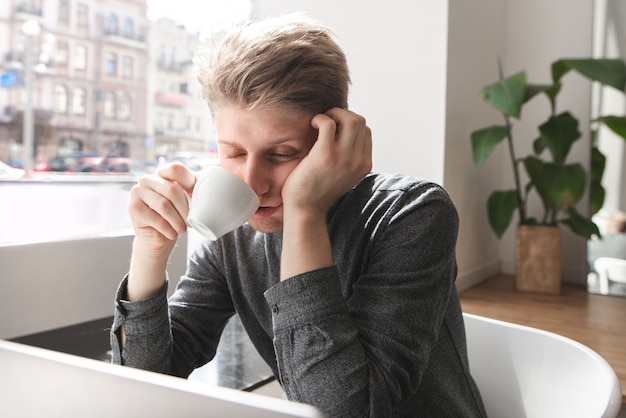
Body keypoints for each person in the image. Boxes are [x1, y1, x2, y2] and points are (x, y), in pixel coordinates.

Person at [110, 13, 487, 417]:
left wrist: (306, 210)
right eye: (234, 153)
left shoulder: (414, 213)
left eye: (282, 154)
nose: (252, 182)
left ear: (335, 139)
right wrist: (150, 249)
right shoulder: (234, 237)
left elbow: (345, 410)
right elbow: (145, 382)